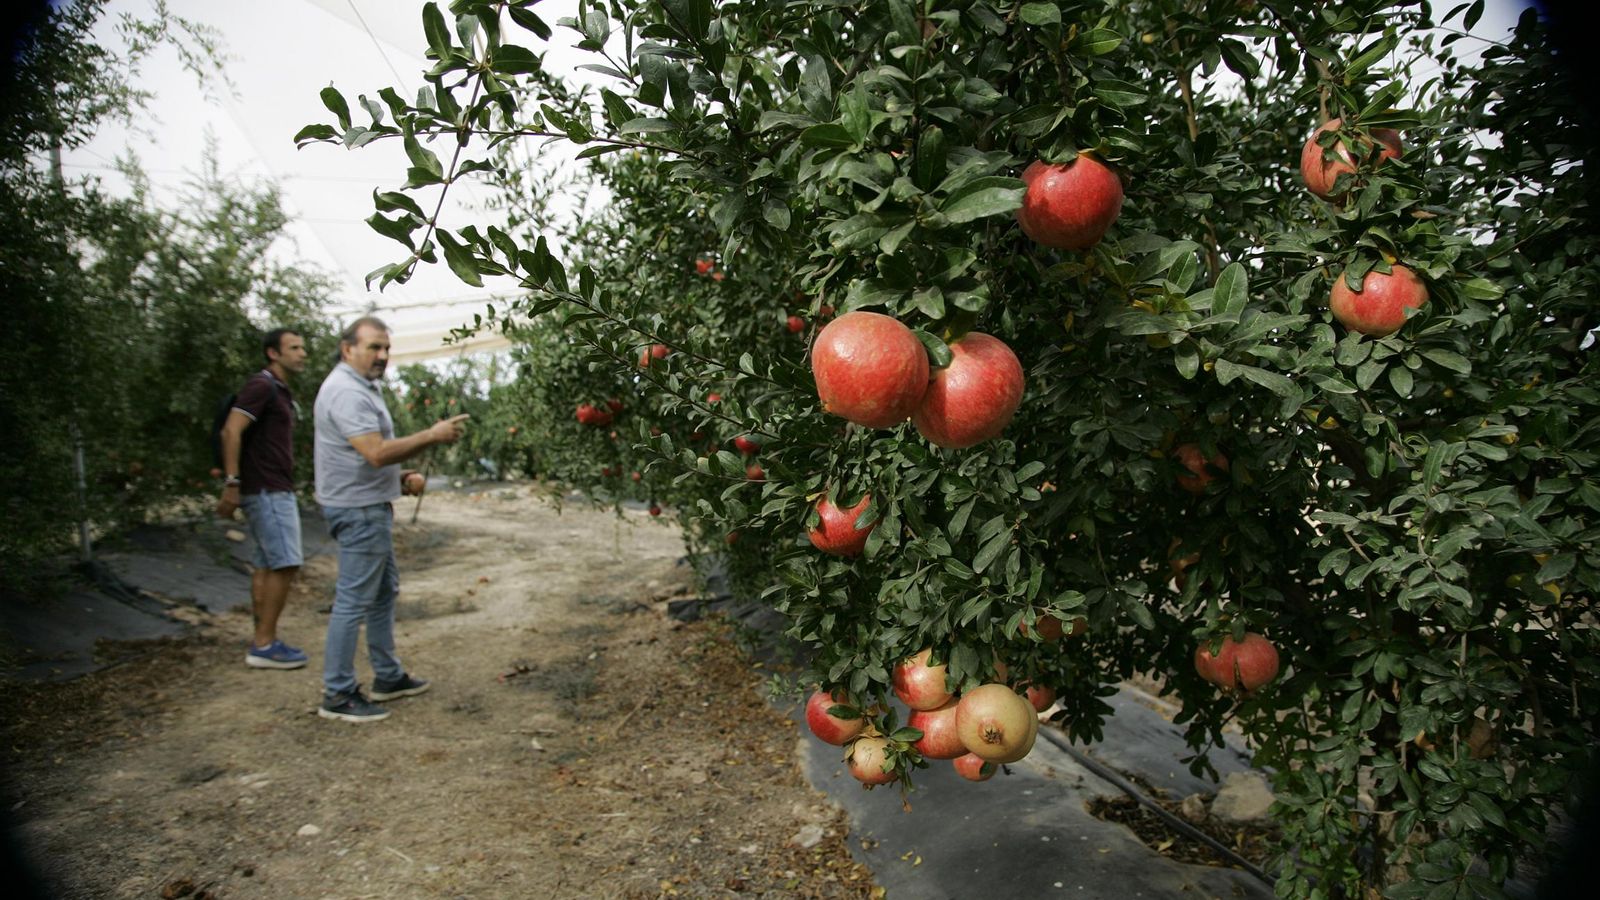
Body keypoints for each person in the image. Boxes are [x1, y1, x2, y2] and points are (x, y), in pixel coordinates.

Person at [313, 316, 468, 723]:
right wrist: (431, 436)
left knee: (382, 593)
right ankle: (338, 692)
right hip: (359, 511)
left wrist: (395, 479)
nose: (382, 355)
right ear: (348, 349)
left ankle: (387, 676)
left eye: (386, 348)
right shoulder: (346, 391)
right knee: (352, 601)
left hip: (368, 504)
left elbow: (365, 456)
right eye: (373, 347)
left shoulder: (363, 387)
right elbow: (375, 452)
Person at [216, 328, 310, 669]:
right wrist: (231, 482)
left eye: (303, 348)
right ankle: (265, 644)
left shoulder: (279, 390)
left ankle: (262, 639)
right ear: (273, 353)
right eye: (294, 348)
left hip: (270, 488)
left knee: (268, 563)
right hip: (268, 490)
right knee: (286, 562)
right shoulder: (262, 385)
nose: (302, 353)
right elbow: (231, 429)